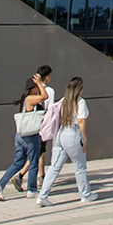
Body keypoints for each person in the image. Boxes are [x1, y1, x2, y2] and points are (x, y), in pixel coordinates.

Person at [36, 77, 98, 206]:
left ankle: (42, 195)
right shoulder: (80, 102)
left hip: (60, 133)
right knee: (80, 167)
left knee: (54, 167)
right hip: (73, 134)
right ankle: (85, 195)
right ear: (79, 89)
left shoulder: (64, 101)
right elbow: (81, 120)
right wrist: (85, 137)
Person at [0, 75, 49, 201]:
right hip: (30, 136)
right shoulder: (30, 98)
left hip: (21, 135)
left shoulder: (26, 99)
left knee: (18, 163)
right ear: (32, 88)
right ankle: (32, 190)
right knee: (33, 162)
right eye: (36, 87)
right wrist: (40, 83)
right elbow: (45, 96)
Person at [9, 65, 54, 193]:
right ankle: (23, 178)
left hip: (32, 127)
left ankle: (41, 176)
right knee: (37, 153)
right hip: (39, 126)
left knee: (40, 152)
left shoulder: (30, 94)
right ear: (47, 77)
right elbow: (49, 108)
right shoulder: (47, 91)